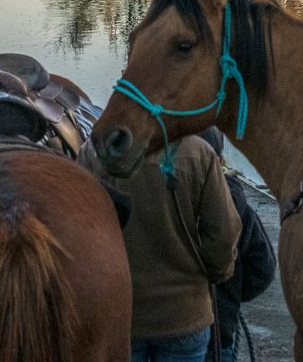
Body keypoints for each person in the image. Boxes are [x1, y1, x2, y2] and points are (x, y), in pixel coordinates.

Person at [101, 133, 242, 362]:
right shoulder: (200, 153)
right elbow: (223, 237)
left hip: (122, 316)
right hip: (184, 316)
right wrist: (216, 274)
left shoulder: (96, 152)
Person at [199, 130, 277, 362]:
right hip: (218, 331)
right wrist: (230, 296)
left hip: (154, 329)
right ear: (220, 161)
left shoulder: (159, 194)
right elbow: (262, 268)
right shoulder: (236, 203)